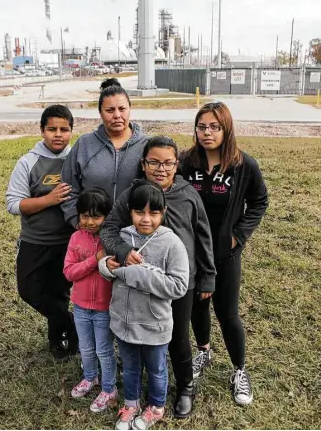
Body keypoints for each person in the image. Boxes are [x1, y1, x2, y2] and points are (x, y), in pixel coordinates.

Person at [100, 136, 216, 419]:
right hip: (139, 285)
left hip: (180, 281)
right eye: (153, 162)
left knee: (177, 337)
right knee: (142, 336)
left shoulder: (188, 194)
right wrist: (124, 251)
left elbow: (203, 235)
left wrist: (208, 276)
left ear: (176, 165)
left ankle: (186, 387)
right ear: (144, 164)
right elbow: (108, 229)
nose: (160, 169)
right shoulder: (133, 194)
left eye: (167, 163)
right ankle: (139, 391)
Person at [179, 101, 269, 406]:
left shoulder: (244, 166)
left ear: (226, 128)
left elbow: (260, 202)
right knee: (196, 308)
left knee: (227, 313)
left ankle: (239, 370)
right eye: (201, 126)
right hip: (190, 255)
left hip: (224, 254)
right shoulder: (185, 162)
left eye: (214, 126)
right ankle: (203, 352)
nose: (207, 132)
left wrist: (237, 236)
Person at [99, 180, 190, 430]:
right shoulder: (123, 237)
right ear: (130, 212)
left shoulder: (173, 244)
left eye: (154, 212)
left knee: (157, 369)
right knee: (129, 367)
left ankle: (156, 407)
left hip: (154, 325)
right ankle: (131, 404)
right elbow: (109, 268)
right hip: (123, 322)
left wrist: (135, 274)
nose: (146, 219)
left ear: (164, 212)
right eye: (139, 212)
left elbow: (179, 286)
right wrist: (106, 266)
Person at [6, 104, 78, 362]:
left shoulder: (76, 159)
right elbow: (14, 204)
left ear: (71, 131)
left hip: (68, 241)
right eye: (52, 129)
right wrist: (49, 200)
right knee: (29, 290)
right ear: (42, 130)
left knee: (59, 291)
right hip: (35, 240)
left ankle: (60, 341)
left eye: (64, 129)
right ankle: (69, 324)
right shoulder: (28, 162)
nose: (58, 134)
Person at [61, 78, 148, 229]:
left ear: (130, 109)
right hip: (92, 233)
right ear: (100, 113)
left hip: (134, 234)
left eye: (122, 109)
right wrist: (77, 221)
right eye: (110, 110)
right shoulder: (84, 145)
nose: (117, 115)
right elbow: (68, 189)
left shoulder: (147, 146)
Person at [63, 188, 118, 413]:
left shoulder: (113, 241)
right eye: (84, 216)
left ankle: (109, 388)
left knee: (104, 350)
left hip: (105, 308)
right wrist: (94, 261)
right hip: (81, 306)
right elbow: (69, 273)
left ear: (107, 216)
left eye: (96, 216)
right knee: (86, 348)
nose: (89, 222)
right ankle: (90, 378)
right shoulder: (76, 238)